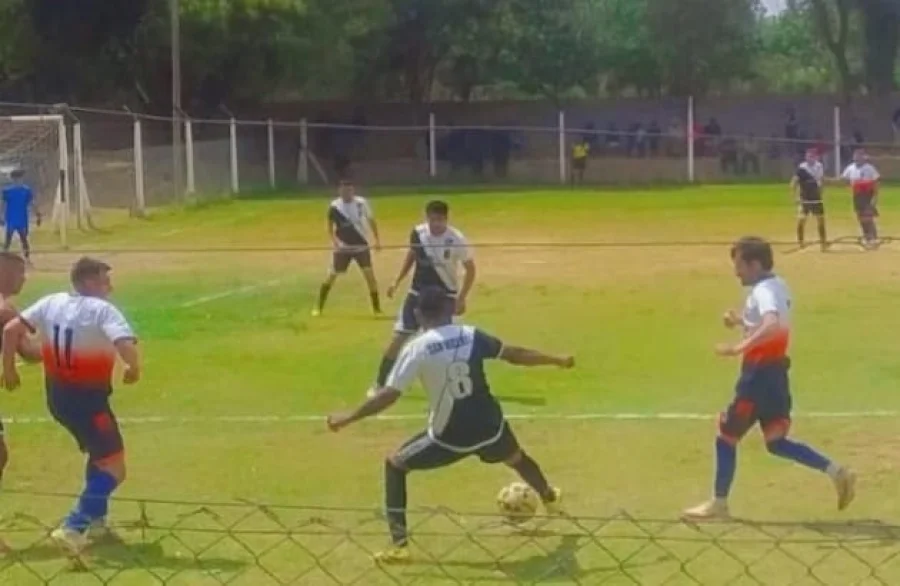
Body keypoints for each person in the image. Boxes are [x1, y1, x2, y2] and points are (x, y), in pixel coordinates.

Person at [327, 287, 574, 563]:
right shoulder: (471, 334)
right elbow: (513, 354)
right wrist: (556, 359)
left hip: (450, 436)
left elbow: (389, 395)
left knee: (395, 465)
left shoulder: (418, 348)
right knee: (517, 458)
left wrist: (348, 417)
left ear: (418, 314)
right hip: (490, 427)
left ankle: (400, 546)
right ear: (448, 310)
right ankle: (549, 497)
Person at [683, 237, 855, 520]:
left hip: (758, 376)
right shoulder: (778, 285)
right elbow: (771, 321)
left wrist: (738, 347)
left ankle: (719, 503)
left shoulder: (763, 291)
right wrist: (741, 321)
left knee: (726, 435)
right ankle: (837, 472)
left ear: (754, 264)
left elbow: (772, 323)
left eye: (739, 265)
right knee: (776, 441)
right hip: (776, 375)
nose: (736, 272)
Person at [1, 257, 140, 556]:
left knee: (98, 454)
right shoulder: (102, 310)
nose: (110, 288)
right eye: (104, 281)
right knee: (115, 467)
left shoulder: (52, 302)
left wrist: (9, 369)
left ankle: (97, 523)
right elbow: (124, 343)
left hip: (58, 399)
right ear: (88, 282)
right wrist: (133, 367)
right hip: (89, 401)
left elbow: (11, 330)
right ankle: (73, 526)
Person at [368, 200, 476, 397]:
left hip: (444, 297)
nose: (436, 224)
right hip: (417, 294)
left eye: (440, 220)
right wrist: (397, 281)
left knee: (447, 342)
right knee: (399, 338)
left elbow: (471, 269)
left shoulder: (456, 239)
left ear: (446, 219)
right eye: (432, 220)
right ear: (427, 218)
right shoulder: (418, 233)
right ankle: (380, 382)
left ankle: (454, 385)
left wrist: (461, 298)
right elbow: (412, 255)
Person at [313, 179, 382, 316]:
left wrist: (377, 240)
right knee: (332, 276)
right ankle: (318, 307)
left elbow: (371, 220)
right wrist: (336, 242)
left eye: (349, 190)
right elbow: (330, 228)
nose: (347, 193)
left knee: (369, 276)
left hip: (361, 245)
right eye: (344, 190)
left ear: (353, 190)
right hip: (343, 247)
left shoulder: (361, 203)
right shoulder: (334, 206)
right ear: (340, 191)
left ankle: (377, 309)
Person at [0, 253, 40, 484]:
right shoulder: (6, 311)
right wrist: (64, 346)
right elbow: (30, 352)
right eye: (19, 273)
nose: (24, 279)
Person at [840, 149, 881, 249]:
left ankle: (872, 238)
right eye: (855, 156)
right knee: (860, 217)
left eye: (859, 156)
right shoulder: (851, 168)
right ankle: (867, 237)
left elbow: (876, 182)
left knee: (868, 217)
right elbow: (843, 179)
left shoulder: (869, 168)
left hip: (868, 195)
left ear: (863, 157)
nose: (857, 158)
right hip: (857, 196)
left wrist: (875, 197)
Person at [790, 149, 828, 251]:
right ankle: (801, 242)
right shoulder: (802, 168)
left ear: (816, 157)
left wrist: (822, 192)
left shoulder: (819, 166)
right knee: (801, 220)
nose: (810, 158)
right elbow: (794, 182)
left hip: (816, 197)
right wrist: (795, 197)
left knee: (821, 220)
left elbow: (821, 180)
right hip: (805, 198)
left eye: (812, 156)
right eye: (808, 156)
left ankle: (823, 243)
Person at [2, 170, 40, 263]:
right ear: (13, 179)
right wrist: (1, 216)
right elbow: (2, 203)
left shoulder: (26, 190)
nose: (18, 180)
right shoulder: (8, 191)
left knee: (24, 238)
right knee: (8, 239)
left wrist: (38, 214)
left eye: (19, 178)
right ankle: (3, 258)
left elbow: (32, 202)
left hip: (22, 218)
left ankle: (27, 258)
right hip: (11, 218)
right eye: (16, 179)